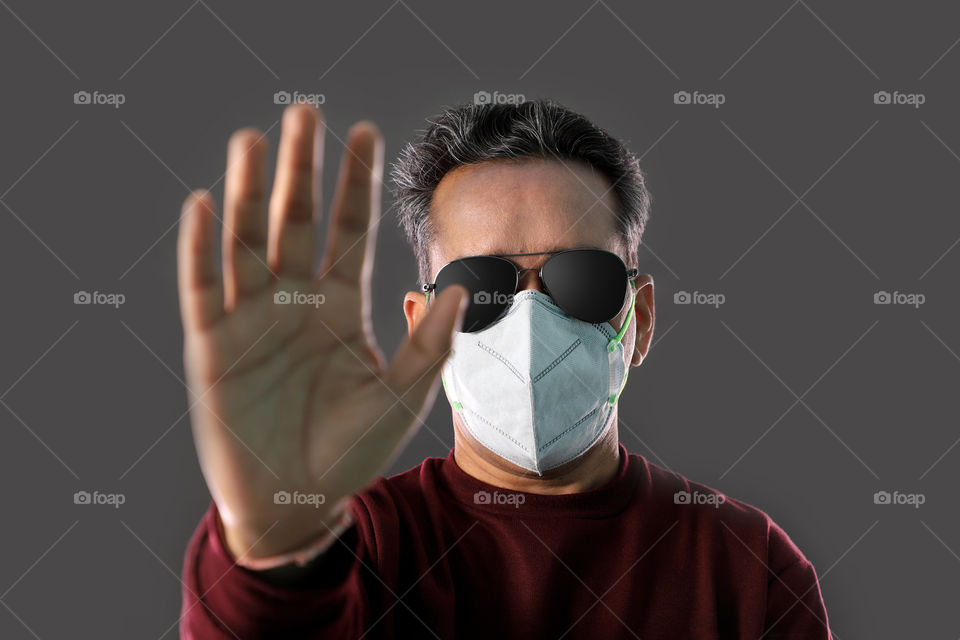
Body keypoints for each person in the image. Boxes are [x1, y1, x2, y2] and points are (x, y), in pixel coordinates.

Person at [178, 100, 831, 639]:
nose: (530, 317)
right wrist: (275, 552)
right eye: (481, 287)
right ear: (422, 328)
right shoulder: (362, 546)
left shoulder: (748, 569)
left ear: (642, 319)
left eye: (578, 278)